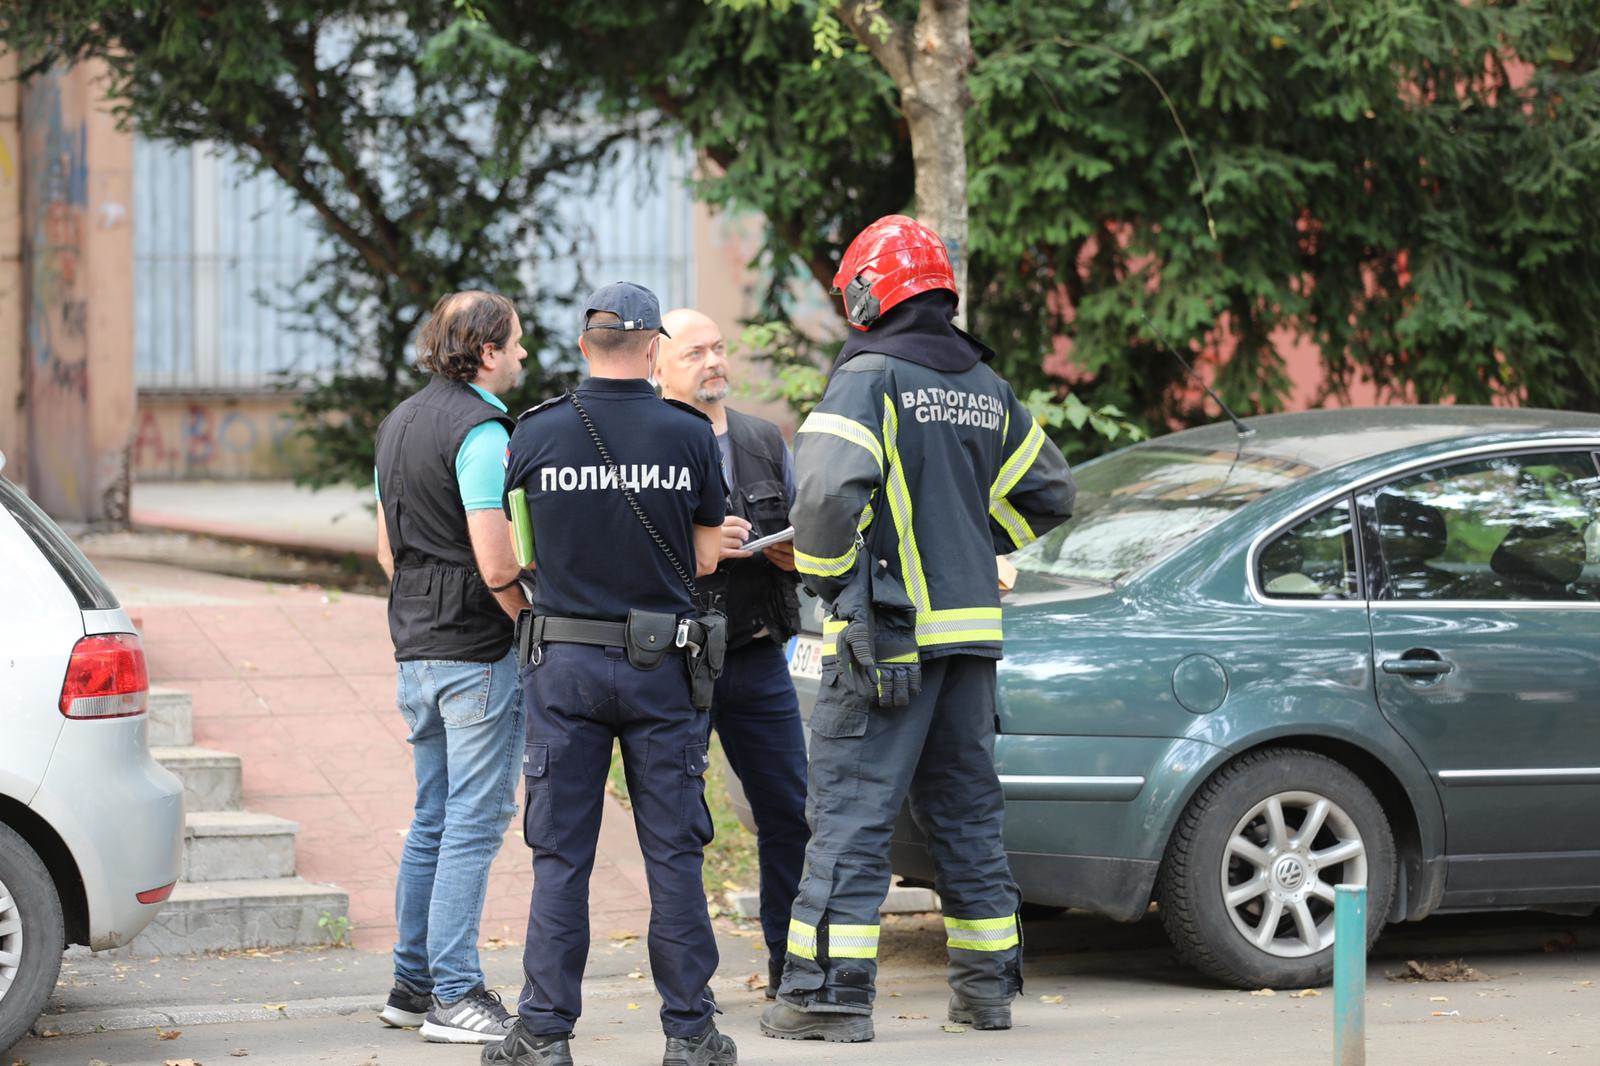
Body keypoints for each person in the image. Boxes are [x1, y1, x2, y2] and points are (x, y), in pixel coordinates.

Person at [760, 216, 1077, 1043]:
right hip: (969, 644)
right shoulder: (985, 384)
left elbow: (823, 499)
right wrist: (967, 544)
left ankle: (825, 999)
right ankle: (986, 994)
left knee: (851, 818)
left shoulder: (869, 377)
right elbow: (1051, 493)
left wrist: (838, 580)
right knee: (967, 818)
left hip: (888, 642)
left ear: (871, 294)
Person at [484, 283, 738, 1066]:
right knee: (673, 854)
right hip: (664, 666)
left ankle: (544, 1033)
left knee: (562, 856)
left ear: (583, 345)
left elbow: (517, 552)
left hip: (563, 665)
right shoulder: (689, 433)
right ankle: (690, 1034)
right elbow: (705, 556)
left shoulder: (535, 432)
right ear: (654, 349)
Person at [373, 290, 530, 1043]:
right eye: (516, 342)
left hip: (416, 647)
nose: (523, 355)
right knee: (473, 819)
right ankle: (457, 993)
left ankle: (412, 986)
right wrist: (528, 622)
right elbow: (496, 561)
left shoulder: (397, 423)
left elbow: (387, 551)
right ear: (487, 351)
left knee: (433, 816)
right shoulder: (484, 431)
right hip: (478, 650)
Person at [656, 307, 810, 999]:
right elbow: (623, 553)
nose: (714, 361)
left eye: (718, 348)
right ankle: (690, 988)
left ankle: (792, 968)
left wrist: (794, 554)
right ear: (658, 367)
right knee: (679, 826)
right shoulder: (646, 442)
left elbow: (806, 532)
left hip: (755, 653)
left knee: (790, 812)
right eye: (695, 353)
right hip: (674, 661)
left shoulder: (762, 439)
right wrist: (700, 550)